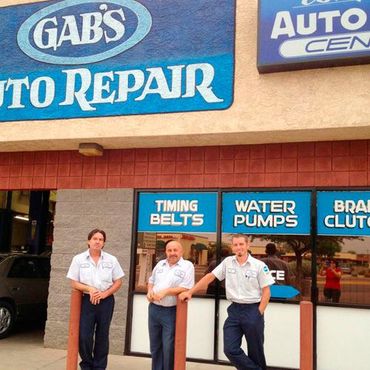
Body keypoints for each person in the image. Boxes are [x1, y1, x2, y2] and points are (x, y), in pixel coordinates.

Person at [179, 234, 275, 370]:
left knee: (256, 351)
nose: (239, 247)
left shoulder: (259, 265)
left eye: (241, 244)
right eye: (235, 245)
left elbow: (266, 291)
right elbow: (210, 277)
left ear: (248, 246)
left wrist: (258, 312)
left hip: (253, 310)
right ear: (232, 247)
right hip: (234, 311)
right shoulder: (228, 262)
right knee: (230, 349)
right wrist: (190, 292)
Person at [67, 229, 124, 370]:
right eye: (95, 238)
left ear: (104, 243)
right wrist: (90, 289)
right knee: (84, 336)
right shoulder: (78, 259)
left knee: (102, 336)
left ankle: (99, 367)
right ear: (89, 241)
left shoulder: (111, 260)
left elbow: (118, 282)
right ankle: (87, 364)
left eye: (101, 239)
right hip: (87, 301)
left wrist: (105, 294)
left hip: (106, 301)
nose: (97, 241)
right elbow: (74, 283)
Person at [147, 240, 194, 370]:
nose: (172, 253)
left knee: (168, 346)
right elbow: (151, 281)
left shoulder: (187, 266)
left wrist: (166, 292)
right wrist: (150, 291)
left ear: (181, 251)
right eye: (169, 250)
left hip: (170, 311)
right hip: (154, 309)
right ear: (166, 252)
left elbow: (186, 287)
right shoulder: (160, 264)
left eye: (175, 250)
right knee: (155, 346)